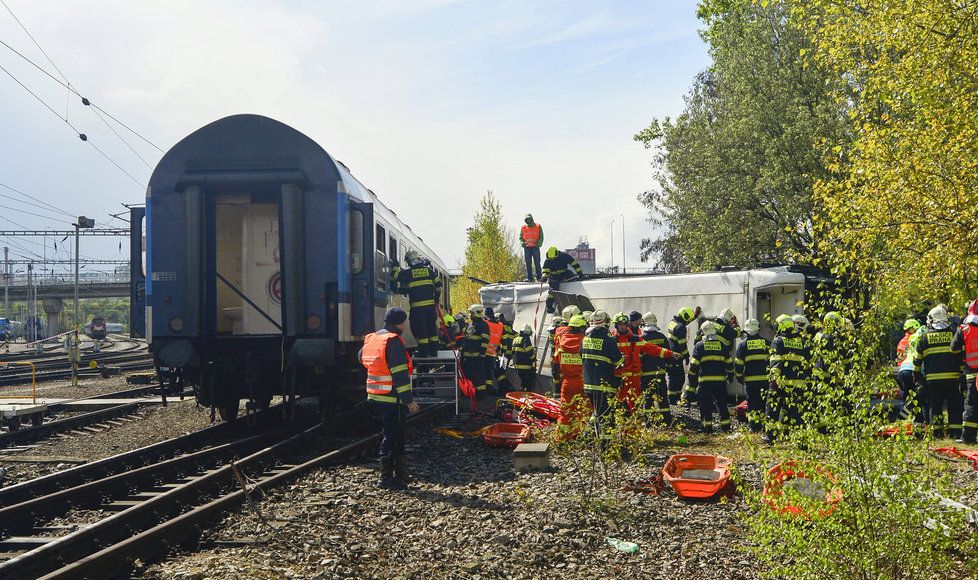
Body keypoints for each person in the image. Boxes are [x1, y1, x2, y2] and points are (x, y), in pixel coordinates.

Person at [359, 307, 420, 490]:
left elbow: (361, 357)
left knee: (396, 433)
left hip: (376, 394)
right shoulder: (393, 341)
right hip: (392, 397)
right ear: (400, 323)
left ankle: (400, 474)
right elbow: (400, 376)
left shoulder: (372, 338)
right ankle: (385, 478)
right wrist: (408, 400)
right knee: (392, 435)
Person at [913, 305, 964, 439]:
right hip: (953, 378)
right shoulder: (953, 334)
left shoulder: (924, 338)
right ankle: (955, 433)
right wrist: (961, 372)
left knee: (935, 407)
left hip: (932, 380)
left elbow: (917, 360)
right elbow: (961, 356)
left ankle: (938, 433)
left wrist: (917, 376)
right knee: (954, 405)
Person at [765, 314, 811, 441]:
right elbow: (810, 362)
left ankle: (770, 436)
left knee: (773, 408)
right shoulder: (802, 342)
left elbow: (776, 362)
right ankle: (800, 440)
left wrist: (774, 380)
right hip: (799, 384)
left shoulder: (778, 341)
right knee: (797, 412)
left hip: (782, 383)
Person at [582, 310, 625, 441]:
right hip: (605, 386)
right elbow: (618, 361)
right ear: (606, 323)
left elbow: (581, 357)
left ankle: (587, 439)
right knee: (607, 417)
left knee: (597, 412)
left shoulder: (584, 339)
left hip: (589, 386)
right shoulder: (609, 340)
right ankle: (607, 446)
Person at [688, 321, 734, 433]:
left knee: (705, 405)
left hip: (705, 382)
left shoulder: (699, 345)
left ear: (703, 332)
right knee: (722, 404)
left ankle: (707, 429)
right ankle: (726, 428)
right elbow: (729, 363)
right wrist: (731, 375)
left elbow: (694, 365)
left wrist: (692, 379)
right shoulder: (722, 345)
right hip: (720, 381)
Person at [395, 250, 441, 357]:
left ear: (409, 261)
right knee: (431, 330)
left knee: (421, 331)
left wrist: (395, 266)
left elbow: (396, 277)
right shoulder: (429, 271)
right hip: (430, 308)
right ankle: (434, 352)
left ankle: (424, 353)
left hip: (417, 309)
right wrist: (436, 298)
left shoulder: (407, 273)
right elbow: (438, 284)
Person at [638, 312, 681, 425]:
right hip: (660, 373)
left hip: (646, 374)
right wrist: (670, 366)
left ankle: (648, 422)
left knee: (648, 399)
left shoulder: (641, 339)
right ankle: (667, 421)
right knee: (662, 397)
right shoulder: (662, 337)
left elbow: (639, 358)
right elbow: (668, 354)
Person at [553, 314, 590, 430]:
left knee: (566, 412)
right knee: (584, 411)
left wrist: (558, 382)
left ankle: (563, 439)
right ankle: (581, 437)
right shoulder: (585, 341)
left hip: (567, 382)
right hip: (583, 381)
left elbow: (555, 365)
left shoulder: (561, 342)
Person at [735, 318, 770, 432]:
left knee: (753, 403)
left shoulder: (743, 345)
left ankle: (754, 427)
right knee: (765, 403)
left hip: (751, 381)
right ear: (758, 329)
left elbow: (739, 364)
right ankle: (766, 426)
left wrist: (739, 377)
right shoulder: (767, 343)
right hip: (766, 381)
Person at [950, 308, 978, 442]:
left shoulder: (964, 329)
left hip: (972, 372)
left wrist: (962, 356)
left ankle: (968, 437)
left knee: (971, 403)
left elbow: (953, 348)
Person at [611, 312, 643, 411]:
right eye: (620, 325)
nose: (623, 327)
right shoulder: (611, 339)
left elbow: (650, 348)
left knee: (636, 399)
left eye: (624, 325)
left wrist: (669, 353)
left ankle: (636, 421)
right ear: (616, 325)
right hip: (618, 376)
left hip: (634, 375)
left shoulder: (634, 338)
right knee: (618, 401)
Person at [668, 306, 700, 405]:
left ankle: (674, 397)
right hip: (676, 355)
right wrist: (686, 356)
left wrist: (694, 316)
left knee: (674, 376)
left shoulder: (673, 322)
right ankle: (674, 399)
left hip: (671, 354)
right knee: (678, 377)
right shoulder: (681, 327)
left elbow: (683, 322)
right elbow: (682, 345)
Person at [541, 247, 583, 313]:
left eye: (553, 258)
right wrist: (544, 277)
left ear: (557, 255)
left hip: (564, 273)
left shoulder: (564, 256)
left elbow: (574, 264)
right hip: (554, 276)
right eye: (550, 258)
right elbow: (545, 270)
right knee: (552, 291)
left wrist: (579, 273)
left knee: (571, 277)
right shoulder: (548, 260)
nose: (552, 259)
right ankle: (549, 307)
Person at [462, 304, 490, 393]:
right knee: (469, 376)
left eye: (471, 313)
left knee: (479, 376)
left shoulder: (483, 325)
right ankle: (470, 393)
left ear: (476, 313)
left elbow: (485, 340)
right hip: (468, 357)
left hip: (477, 357)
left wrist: (482, 353)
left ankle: (481, 394)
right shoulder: (471, 324)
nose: (470, 315)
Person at [484, 308, 507, 394]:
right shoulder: (501, 325)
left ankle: (485, 390)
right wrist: (502, 351)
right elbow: (504, 340)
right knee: (489, 372)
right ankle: (489, 389)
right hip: (493, 352)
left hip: (483, 352)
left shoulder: (485, 323)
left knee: (483, 372)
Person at [511, 324, 537, 391]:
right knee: (528, 383)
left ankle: (522, 394)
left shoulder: (515, 339)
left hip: (517, 365)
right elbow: (529, 352)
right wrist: (534, 359)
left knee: (523, 383)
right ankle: (526, 397)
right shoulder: (525, 339)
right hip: (525, 366)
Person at [520, 214, 544, 282]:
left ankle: (539, 277)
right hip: (527, 248)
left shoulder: (538, 226)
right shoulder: (523, 227)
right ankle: (529, 278)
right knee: (528, 263)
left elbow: (541, 236)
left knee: (537, 262)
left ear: (532, 219)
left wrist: (538, 244)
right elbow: (520, 237)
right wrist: (522, 243)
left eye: (529, 219)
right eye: (526, 220)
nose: (528, 221)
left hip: (535, 247)